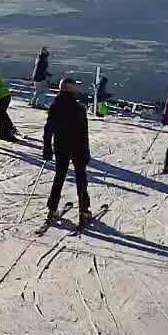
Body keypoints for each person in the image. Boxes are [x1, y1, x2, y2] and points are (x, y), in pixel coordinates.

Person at [43, 78, 92, 225]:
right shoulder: (79, 108)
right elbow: (83, 133)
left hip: (61, 146)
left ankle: (52, 209)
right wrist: (86, 152)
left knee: (59, 176)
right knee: (81, 177)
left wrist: (47, 148)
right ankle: (83, 210)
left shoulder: (55, 106)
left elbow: (48, 129)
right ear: (71, 90)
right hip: (77, 147)